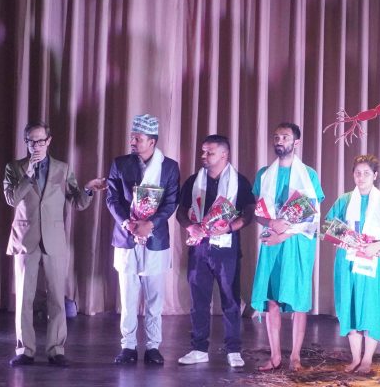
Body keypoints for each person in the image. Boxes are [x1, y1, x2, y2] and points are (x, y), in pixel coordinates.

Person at [3, 121, 101, 367]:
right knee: (24, 298)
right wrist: (28, 175)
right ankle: (25, 350)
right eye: (31, 141)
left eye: (40, 141)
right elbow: (12, 199)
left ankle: (56, 349)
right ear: (26, 142)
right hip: (25, 239)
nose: (35, 146)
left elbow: (77, 202)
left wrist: (88, 190)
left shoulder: (62, 168)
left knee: (57, 297)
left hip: (54, 240)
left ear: (48, 141)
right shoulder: (14, 167)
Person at [104, 113, 180, 365]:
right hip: (126, 236)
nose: (133, 142)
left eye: (138, 138)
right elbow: (112, 199)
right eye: (132, 137)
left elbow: (171, 202)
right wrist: (127, 223)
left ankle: (153, 346)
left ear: (152, 141)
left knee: (155, 298)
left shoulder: (169, 167)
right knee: (128, 297)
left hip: (155, 238)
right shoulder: (120, 163)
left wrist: (151, 224)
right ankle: (127, 346)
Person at [250, 122, 325, 372]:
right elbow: (258, 212)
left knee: (298, 300)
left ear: (296, 142)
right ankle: (275, 356)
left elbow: (313, 215)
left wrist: (284, 234)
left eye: (285, 137)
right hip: (272, 240)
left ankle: (295, 356)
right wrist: (271, 223)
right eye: (276, 137)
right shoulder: (264, 174)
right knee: (272, 298)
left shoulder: (309, 174)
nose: (279, 141)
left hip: (298, 242)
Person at [176, 135, 255, 368]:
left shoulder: (239, 181)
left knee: (231, 300)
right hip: (199, 247)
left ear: (224, 155)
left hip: (227, 248)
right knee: (199, 300)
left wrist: (229, 227)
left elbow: (249, 213)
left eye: (209, 152)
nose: (204, 156)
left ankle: (233, 350)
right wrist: (190, 227)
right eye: (203, 151)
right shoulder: (194, 181)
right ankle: (199, 348)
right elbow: (181, 211)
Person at [326, 154, 380, 375]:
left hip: (373, 262)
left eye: (366, 173)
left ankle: (367, 359)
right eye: (357, 173)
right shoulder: (344, 200)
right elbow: (329, 225)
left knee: (372, 306)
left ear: (375, 175)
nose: (361, 177)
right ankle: (356, 358)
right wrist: (345, 239)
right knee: (349, 306)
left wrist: (378, 245)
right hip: (348, 261)